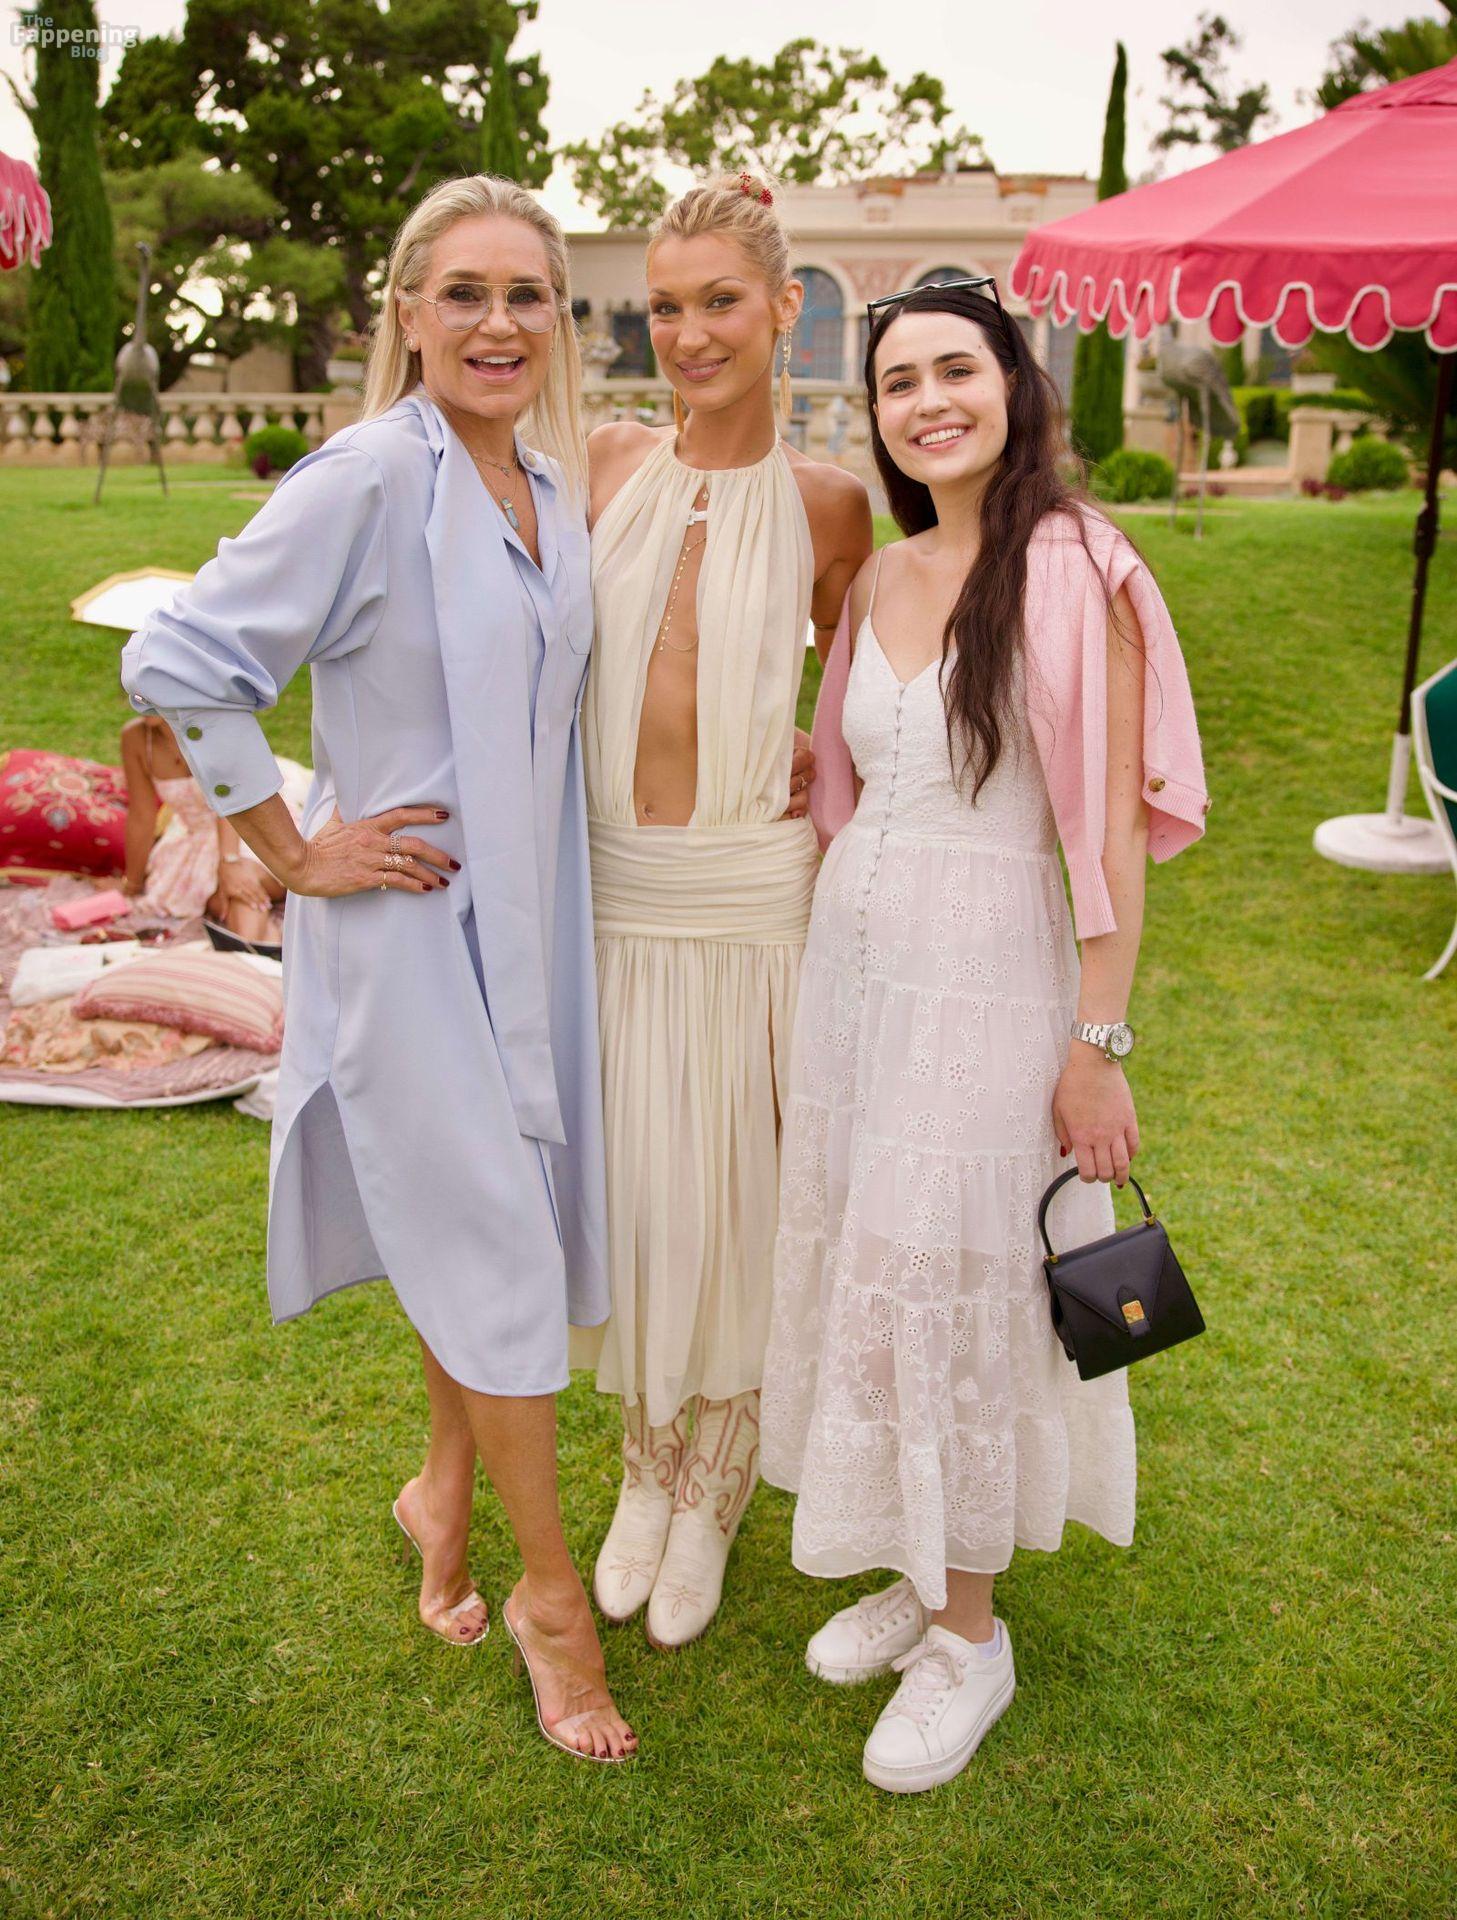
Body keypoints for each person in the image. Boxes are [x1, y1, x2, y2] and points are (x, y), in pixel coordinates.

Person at [120, 174, 636, 1763]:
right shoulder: (364, 475)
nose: (498, 323)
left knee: (492, 1222)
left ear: (558, 318)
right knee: (499, 1246)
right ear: (407, 313)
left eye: (526, 294)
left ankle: (442, 1493)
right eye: (463, 292)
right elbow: (181, 658)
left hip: (529, 920)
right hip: (410, 928)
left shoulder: (541, 482)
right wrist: (288, 850)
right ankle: (553, 1596)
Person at [760, 280, 1209, 1792]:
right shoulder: (880, 578)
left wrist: (1097, 1040)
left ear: (1015, 384)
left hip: (993, 975)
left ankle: (971, 1637)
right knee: (873, 1258)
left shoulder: (1081, 568)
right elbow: (854, 784)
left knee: (954, 1274)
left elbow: (1113, 834)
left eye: (956, 368)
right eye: (897, 382)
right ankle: (918, 1562)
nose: (927, 401)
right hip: (856, 978)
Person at [576, 171, 872, 1650]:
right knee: (641, 1193)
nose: (688, 334)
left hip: (757, 904)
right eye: (665, 307)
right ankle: (645, 1465)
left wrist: (809, 750)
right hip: (616, 894)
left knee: (747, 1197)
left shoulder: (833, 507)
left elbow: (874, 706)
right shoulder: (601, 462)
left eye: (719, 303)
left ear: (783, 308)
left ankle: (717, 1481)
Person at [120, 713, 284, 938]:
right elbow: (142, 815)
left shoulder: (214, 723)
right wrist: (133, 884)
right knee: (221, 899)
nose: (141, 699)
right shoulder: (137, 737)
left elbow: (233, 800)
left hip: (245, 822)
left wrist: (230, 862)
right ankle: (264, 946)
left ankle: (249, 947)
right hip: (194, 841)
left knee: (242, 881)